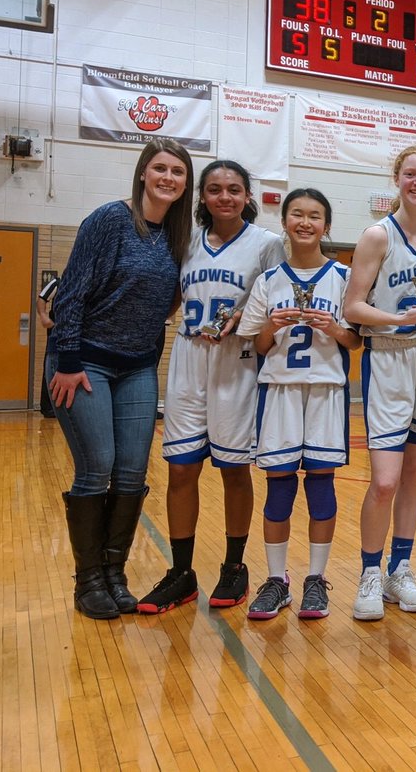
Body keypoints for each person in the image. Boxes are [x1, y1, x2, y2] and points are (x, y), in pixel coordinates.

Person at [50, 138, 193, 619]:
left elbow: (169, 299)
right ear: (142, 173)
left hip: (137, 367)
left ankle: (115, 574)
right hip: (84, 363)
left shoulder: (177, 233)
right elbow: (69, 294)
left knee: (132, 471)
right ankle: (87, 580)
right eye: (160, 168)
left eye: (178, 171)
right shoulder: (110, 220)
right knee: (98, 466)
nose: (168, 177)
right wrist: (67, 360)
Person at [138, 160, 285, 614]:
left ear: (247, 196)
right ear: (202, 196)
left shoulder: (266, 244)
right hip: (188, 360)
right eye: (216, 189)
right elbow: (172, 296)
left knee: (233, 469)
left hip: (236, 364)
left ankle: (234, 566)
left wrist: (245, 317)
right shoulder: (185, 240)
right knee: (181, 469)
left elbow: (277, 303)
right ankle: (181, 572)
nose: (225, 197)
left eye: (235, 189)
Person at [235, 188, 360, 620]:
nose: (305, 223)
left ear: (326, 225)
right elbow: (259, 343)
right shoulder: (270, 281)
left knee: (321, 485)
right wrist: (272, 323)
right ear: (285, 221)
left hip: (326, 390)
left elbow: (357, 340)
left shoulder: (344, 277)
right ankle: (276, 579)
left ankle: (315, 580)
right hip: (280, 390)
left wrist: (336, 328)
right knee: (280, 485)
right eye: (297, 215)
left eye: (315, 216)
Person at [345, 145, 416, 620]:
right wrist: (396, 318)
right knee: (386, 480)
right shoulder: (377, 236)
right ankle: (369, 574)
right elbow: (352, 307)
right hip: (389, 357)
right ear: (397, 178)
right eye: (410, 173)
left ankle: (399, 569)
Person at [37, 273, 60, 418]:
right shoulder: (58, 283)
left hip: (75, 330)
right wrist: (44, 316)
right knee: (51, 366)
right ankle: (47, 408)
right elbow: (41, 298)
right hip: (56, 330)